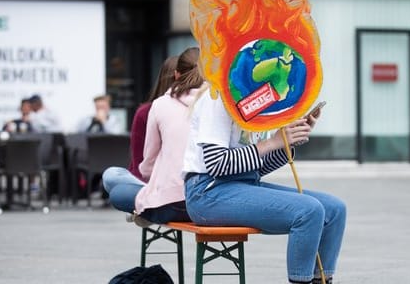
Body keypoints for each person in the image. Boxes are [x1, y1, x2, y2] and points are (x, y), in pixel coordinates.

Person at [183, 92, 346, 284]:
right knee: (308, 210)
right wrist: (272, 142)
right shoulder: (217, 98)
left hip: (243, 184)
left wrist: (287, 142)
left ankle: (322, 280)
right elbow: (217, 163)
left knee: (335, 209)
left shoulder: (258, 99)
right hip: (207, 192)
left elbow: (258, 167)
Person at [102, 47, 204, 226]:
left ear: (176, 75)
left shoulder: (159, 106)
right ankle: (145, 207)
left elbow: (146, 167)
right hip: (208, 199)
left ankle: (144, 211)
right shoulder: (219, 103)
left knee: (114, 184)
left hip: (170, 201)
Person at [128, 55, 180, 181]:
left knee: (113, 177)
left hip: (169, 183)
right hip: (148, 180)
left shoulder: (198, 109)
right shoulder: (145, 112)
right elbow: (138, 163)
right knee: (113, 175)